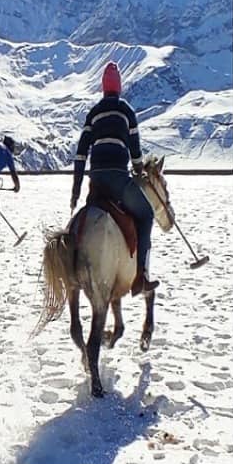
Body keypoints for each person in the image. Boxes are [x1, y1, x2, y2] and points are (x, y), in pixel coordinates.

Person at [71, 62, 158, 296]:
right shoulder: (126, 111)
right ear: (119, 87)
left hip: (96, 180)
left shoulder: (93, 113)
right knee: (146, 214)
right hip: (119, 179)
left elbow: (81, 154)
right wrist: (138, 169)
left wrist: (76, 191)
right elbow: (135, 151)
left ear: (103, 87)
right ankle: (141, 275)